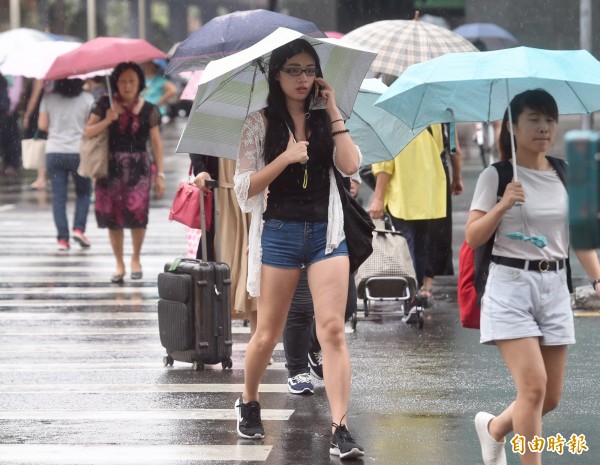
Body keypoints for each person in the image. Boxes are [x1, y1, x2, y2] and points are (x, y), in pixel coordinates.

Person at [233, 39, 364, 459]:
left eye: (310, 70)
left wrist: (335, 112)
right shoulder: (258, 123)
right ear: (277, 74)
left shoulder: (325, 117)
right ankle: (249, 400)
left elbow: (349, 165)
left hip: (327, 234)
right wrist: (286, 158)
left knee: (332, 331)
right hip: (281, 233)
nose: (303, 78)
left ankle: (341, 427)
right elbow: (243, 188)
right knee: (267, 334)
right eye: (293, 70)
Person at [466, 89, 600, 465]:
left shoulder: (564, 174)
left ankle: (494, 430)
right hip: (510, 285)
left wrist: (598, 280)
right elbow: (474, 236)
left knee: (549, 397)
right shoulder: (498, 176)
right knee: (533, 387)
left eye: (549, 120)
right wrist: (504, 204)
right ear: (512, 127)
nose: (544, 127)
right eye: (534, 119)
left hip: (555, 286)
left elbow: (580, 238)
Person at [84, 62, 166, 283]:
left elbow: (156, 144)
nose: (127, 86)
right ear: (115, 83)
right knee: (113, 218)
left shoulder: (149, 110)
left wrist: (160, 174)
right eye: (123, 81)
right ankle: (119, 263)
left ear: (139, 83)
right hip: (110, 168)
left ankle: (135, 259)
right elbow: (87, 131)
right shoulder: (103, 104)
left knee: (138, 215)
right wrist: (107, 120)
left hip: (139, 169)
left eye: (132, 81)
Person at [369, 125, 447, 298]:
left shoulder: (391, 121)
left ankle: (410, 296)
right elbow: (439, 149)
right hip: (427, 192)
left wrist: (378, 198)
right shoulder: (433, 121)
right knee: (421, 247)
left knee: (405, 246)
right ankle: (416, 293)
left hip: (402, 193)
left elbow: (384, 164)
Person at [190, 155, 258, 332]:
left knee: (259, 266)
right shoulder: (211, 126)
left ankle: (260, 342)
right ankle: (217, 341)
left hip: (258, 189)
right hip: (222, 195)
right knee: (221, 265)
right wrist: (201, 169)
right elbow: (197, 140)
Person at [38, 78, 94, 251]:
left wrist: (57, 132)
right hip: (79, 152)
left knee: (59, 197)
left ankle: (62, 239)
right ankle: (78, 228)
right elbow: (90, 127)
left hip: (54, 151)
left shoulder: (49, 98)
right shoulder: (87, 99)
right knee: (84, 193)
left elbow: (42, 125)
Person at [23, 78, 47, 190]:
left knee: (40, 145)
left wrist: (27, 115)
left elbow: (34, 98)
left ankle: (41, 178)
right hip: (51, 111)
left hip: (40, 113)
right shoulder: (54, 76)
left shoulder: (40, 77)